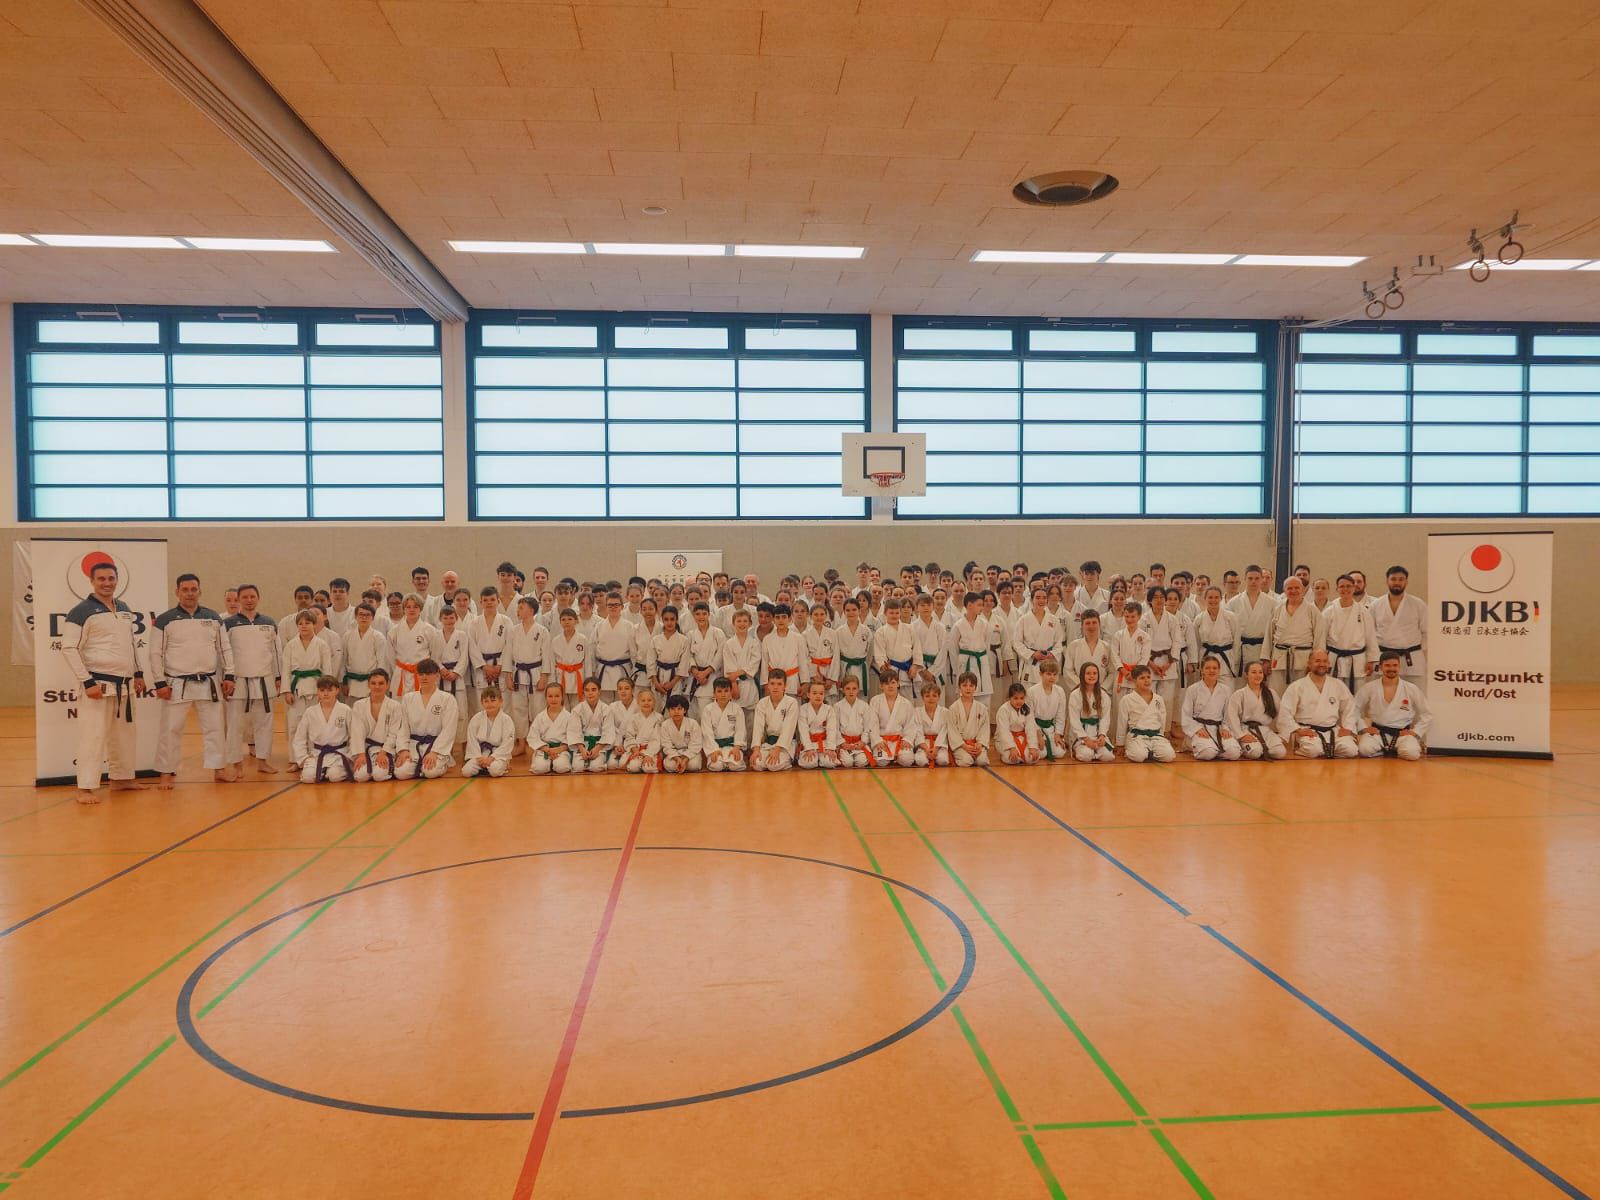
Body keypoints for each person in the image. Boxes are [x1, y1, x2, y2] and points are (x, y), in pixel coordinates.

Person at [61, 558, 151, 800]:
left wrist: (139, 673)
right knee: (93, 736)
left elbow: (131, 644)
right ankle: (86, 787)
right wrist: (87, 682)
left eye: (111, 578)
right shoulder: (80, 611)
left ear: (117, 580)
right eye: (101, 579)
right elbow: (68, 648)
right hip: (97, 684)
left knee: (124, 735)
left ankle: (121, 779)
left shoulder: (123, 607)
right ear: (91, 581)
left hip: (126, 683)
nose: (107, 583)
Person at [150, 573, 237, 788]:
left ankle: (219, 769)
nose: (190, 593)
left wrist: (229, 675)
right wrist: (160, 682)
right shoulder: (165, 619)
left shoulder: (213, 618)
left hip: (209, 682)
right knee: (171, 729)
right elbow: (155, 653)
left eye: (194, 589)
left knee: (215, 728)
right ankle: (166, 772)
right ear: (177, 592)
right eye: (185, 589)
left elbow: (224, 648)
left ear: (200, 591)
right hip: (176, 683)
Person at [223, 584, 280, 775]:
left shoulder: (269, 623)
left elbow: (276, 653)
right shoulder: (229, 624)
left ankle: (262, 761)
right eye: (245, 597)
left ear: (258, 598)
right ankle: (236, 764)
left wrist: (278, 678)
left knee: (265, 723)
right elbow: (223, 653)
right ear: (239, 600)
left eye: (252, 596)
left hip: (264, 681)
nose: (249, 600)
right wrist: (224, 679)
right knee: (235, 724)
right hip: (238, 681)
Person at [1276, 649, 1358, 759]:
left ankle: (1326, 748)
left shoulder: (1338, 684)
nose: (1322, 664)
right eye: (1317, 661)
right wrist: (1298, 730)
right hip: (1308, 731)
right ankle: (1301, 746)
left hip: (1332, 731)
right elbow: (1285, 712)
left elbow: (1349, 707)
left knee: (1351, 750)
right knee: (1313, 751)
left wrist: (1348, 727)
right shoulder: (1297, 686)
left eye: (1325, 661)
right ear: (1309, 664)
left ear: (1329, 664)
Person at [1355, 651, 1433, 760]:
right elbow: (1354, 709)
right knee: (1364, 750)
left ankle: (1390, 749)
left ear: (1399, 667)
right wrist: (1364, 728)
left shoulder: (1411, 688)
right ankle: (1389, 749)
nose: (1391, 668)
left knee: (1412, 754)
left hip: (1402, 734)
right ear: (1381, 667)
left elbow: (1427, 713)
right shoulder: (1369, 687)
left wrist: (1415, 732)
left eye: (1395, 665)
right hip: (1377, 733)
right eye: (1387, 665)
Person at [394, 659, 458, 779]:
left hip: (436, 747)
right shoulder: (408, 698)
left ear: (437, 676)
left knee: (430, 772)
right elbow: (403, 727)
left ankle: (443, 763)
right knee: (400, 773)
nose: (424, 677)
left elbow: (449, 730)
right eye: (421, 674)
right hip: (414, 746)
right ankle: (419, 764)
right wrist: (403, 749)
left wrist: (434, 752)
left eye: (428, 674)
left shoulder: (447, 699)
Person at [1265, 576, 1327, 695]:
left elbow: (1319, 638)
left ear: (1303, 590)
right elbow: (1269, 635)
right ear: (1284, 590)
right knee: (1276, 692)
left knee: (1302, 693)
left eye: (1297, 588)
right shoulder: (1278, 609)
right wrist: (1266, 659)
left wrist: (1317, 661)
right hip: (1280, 657)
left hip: (1303, 659)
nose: (1293, 591)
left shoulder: (1312, 610)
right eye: (1289, 588)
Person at [1370, 565, 1428, 690]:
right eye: (1393, 579)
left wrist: (1416, 649)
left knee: (1416, 698)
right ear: (1387, 581)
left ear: (1406, 581)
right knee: (1382, 696)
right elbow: (1370, 634)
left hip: (1411, 659)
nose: (1397, 582)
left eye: (1401, 579)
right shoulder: (1376, 605)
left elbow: (1426, 632)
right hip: (1384, 658)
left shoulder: (1418, 604)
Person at [1324, 573, 1378, 693]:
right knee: (1333, 694)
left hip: (1357, 660)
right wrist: (1322, 659)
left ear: (1354, 588)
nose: (1345, 589)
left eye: (1349, 586)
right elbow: (1321, 638)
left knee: (1357, 695)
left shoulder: (1363, 611)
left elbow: (1371, 637)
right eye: (1342, 586)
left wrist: (1371, 660)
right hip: (1334, 659)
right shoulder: (1329, 611)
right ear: (1337, 589)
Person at [291, 676, 352, 783]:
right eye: (322, 690)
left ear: (337, 690)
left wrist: (350, 756)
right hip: (317, 754)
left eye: (329, 690)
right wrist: (303, 758)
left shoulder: (345, 710)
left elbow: (355, 736)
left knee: (335, 776)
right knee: (308, 777)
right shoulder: (310, 712)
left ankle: (330, 771)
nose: (326, 693)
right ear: (317, 692)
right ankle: (322, 771)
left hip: (339, 753)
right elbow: (299, 738)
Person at [1182, 656, 1240, 761]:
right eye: (1208, 668)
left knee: (1234, 753)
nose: (1211, 670)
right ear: (1202, 670)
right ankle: (1193, 743)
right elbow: (1186, 715)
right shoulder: (1193, 689)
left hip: (1218, 728)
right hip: (1200, 728)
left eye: (1215, 668)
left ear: (1219, 670)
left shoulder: (1226, 690)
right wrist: (1197, 729)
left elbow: (1228, 714)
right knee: (1208, 753)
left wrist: (1226, 728)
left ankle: (1214, 749)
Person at [1225, 660, 1286, 760]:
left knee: (1280, 752)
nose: (1257, 675)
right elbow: (1232, 717)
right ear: (1246, 675)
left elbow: (1281, 714)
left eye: (1260, 672)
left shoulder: (1271, 693)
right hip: (1246, 730)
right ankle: (1244, 745)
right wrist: (1241, 736)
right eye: (1253, 672)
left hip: (1265, 730)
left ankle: (1263, 747)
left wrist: (1282, 734)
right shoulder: (1239, 694)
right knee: (1255, 753)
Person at [350, 667, 403, 782]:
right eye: (373, 683)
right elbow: (356, 732)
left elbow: (394, 733)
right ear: (368, 685)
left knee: (379, 776)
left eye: (381, 683)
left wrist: (384, 752)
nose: (377, 686)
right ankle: (370, 763)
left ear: (387, 685)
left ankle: (389, 764)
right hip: (366, 749)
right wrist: (360, 754)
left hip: (386, 749)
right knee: (360, 776)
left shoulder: (395, 706)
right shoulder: (359, 705)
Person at [388, 593, 444, 699]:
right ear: (403, 608)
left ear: (421, 609)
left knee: (422, 706)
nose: (412, 610)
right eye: (408, 607)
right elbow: (390, 657)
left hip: (423, 675)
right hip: (401, 674)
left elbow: (435, 655)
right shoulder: (394, 631)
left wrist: (428, 672)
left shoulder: (430, 630)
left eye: (415, 607)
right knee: (400, 708)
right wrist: (399, 669)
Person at [1227, 565, 1276, 681]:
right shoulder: (1233, 603)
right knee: (1239, 686)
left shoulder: (1272, 603)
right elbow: (1228, 630)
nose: (1253, 582)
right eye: (1250, 578)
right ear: (1244, 580)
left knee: (1261, 686)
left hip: (1262, 651)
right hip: (1240, 650)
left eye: (1257, 578)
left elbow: (1274, 632)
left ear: (1261, 580)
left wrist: (1269, 658)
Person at [1117, 665, 1175, 763]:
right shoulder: (1127, 699)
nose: (1146, 680)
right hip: (1137, 736)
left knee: (1169, 756)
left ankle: (1151, 751)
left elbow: (1162, 720)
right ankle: (1144, 751)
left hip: (1155, 736)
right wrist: (1120, 744)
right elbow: (1122, 722)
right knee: (1139, 756)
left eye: (1148, 677)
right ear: (1134, 681)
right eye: (1142, 678)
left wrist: (1161, 734)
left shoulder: (1158, 699)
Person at [945, 592, 993, 703]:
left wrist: (985, 660)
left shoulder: (984, 624)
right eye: (979, 605)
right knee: (965, 697)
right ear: (970, 605)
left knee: (984, 697)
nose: (982, 607)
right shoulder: (958, 625)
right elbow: (953, 649)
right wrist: (957, 667)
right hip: (965, 662)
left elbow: (987, 645)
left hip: (981, 660)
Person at [1012, 587, 1064, 689]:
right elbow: (1016, 642)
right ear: (1032, 600)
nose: (1041, 600)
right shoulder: (1023, 619)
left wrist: (1051, 654)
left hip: (1048, 663)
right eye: (1038, 597)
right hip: (1030, 664)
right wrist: (1032, 654)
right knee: (1029, 698)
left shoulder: (1054, 620)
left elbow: (1059, 642)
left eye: (1044, 598)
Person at [1190, 586, 1240, 687]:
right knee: (1206, 690)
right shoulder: (1199, 619)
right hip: (1206, 657)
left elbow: (1237, 641)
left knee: (1227, 691)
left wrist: (1234, 661)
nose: (1213, 600)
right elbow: (1196, 642)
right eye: (1210, 597)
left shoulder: (1230, 617)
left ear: (1221, 599)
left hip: (1226, 659)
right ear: (1205, 598)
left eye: (1216, 597)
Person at [750, 671, 799, 772]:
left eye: (779, 684)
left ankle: (788, 760)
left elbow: (788, 729)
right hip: (768, 743)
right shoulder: (762, 703)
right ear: (768, 685)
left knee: (773, 766)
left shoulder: (791, 703)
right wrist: (756, 750)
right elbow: (758, 727)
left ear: (785, 686)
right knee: (757, 765)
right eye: (772, 683)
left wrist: (777, 749)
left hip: (785, 745)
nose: (775, 687)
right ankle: (768, 756)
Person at [462, 685, 515, 778]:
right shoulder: (476, 718)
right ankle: (483, 766)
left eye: (493, 700)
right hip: (480, 754)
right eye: (486, 701)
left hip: (497, 755)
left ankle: (502, 765)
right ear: (481, 703)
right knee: (466, 771)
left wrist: (491, 758)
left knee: (495, 771)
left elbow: (507, 743)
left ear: (501, 701)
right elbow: (472, 740)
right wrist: (479, 757)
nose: (489, 704)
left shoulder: (506, 720)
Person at [867, 669, 916, 767]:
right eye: (886, 683)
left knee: (907, 761)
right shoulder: (875, 701)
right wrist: (877, 740)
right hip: (882, 741)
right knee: (881, 762)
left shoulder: (906, 703)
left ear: (898, 684)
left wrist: (907, 739)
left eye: (893, 682)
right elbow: (872, 724)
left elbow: (910, 725)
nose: (890, 686)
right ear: (881, 686)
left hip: (900, 740)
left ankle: (899, 755)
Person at [1024, 656, 1069, 763]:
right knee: (1042, 753)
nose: (1052, 677)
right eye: (1048, 674)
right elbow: (1029, 716)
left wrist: (1058, 733)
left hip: (1050, 728)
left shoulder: (1060, 691)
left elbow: (1060, 715)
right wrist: (1038, 735)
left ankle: (1052, 740)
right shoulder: (1032, 691)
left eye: (1054, 674)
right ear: (1041, 674)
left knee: (1060, 753)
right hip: (1036, 728)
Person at [1069, 662, 1115, 763]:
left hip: (1097, 732)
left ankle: (1095, 751)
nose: (1092, 676)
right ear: (1082, 675)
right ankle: (1090, 751)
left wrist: (1102, 735)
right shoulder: (1075, 695)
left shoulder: (1103, 695)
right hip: (1082, 734)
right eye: (1088, 673)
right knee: (1086, 756)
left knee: (1108, 756)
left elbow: (1105, 718)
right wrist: (1086, 739)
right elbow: (1074, 720)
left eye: (1095, 673)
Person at [569, 679, 616, 774]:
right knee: (577, 767)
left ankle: (603, 760)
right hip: (582, 744)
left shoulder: (606, 709)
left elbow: (608, 731)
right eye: (587, 690)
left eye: (593, 690)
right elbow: (574, 731)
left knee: (596, 767)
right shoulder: (577, 710)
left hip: (600, 744)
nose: (590, 693)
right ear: (583, 692)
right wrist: (582, 749)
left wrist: (597, 748)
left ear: (599, 691)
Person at [701, 677, 747, 772]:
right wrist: (713, 750)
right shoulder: (708, 710)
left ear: (731, 693)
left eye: (726, 691)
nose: (723, 694)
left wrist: (737, 748)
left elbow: (740, 730)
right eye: (719, 691)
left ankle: (728, 762)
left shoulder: (737, 709)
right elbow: (707, 732)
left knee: (735, 766)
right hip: (715, 747)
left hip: (732, 746)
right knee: (716, 766)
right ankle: (723, 762)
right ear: (714, 694)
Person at [527, 683, 575, 776]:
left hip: (562, 750)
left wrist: (560, 749)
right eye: (550, 696)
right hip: (544, 749)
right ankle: (547, 763)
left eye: (557, 696)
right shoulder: (540, 717)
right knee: (540, 768)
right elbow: (532, 737)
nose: (553, 699)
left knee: (561, 767)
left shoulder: (569, 716)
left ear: (562, 697)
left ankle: (555, 763)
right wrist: (546, 749)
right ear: (545, 698)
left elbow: (573, 736)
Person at [760, 603, 805, 697]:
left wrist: (805, 683)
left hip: (792, 681)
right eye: (777, 617)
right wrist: (765, 684)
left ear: (789, 619)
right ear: (773, 620)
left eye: (784, 617)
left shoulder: (798, 638)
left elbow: (802, 662)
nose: (781, 620)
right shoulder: (767, 639)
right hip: (774, 682)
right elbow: (764, 663)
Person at [947, 672, 991, 766]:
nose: (968, 688)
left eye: (971, 685)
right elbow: (952, 731)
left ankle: (977, 753)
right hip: (961, 745)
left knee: (982, 761)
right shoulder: (953, 708)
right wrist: (964, 746)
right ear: (959, 687)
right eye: (964, 685)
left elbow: (984, 729)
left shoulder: (981, 708)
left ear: (975, 688)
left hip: (976, 744)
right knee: (966, 761)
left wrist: (980, 744)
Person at [871, 598, 917, 690]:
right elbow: (879, 653)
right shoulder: (881, 632)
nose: (894, 615)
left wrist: (915, 666)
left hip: (908, 671)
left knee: (907, 701)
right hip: (890, 670)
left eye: (897, 613)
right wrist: (883, 666)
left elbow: (917, 649)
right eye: (891, 613)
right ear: (885, 613)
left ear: (900, 613)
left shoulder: (910, 629)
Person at [1067, 610, 1115, 694]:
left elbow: (1112, 672)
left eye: (1094, 622)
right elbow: (1068, 670)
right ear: (1082, 626)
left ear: (1099, 625)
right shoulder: (1073, 646)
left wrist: (1103, 688)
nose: (1091, 626)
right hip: (1080, 690)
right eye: (1087, 623)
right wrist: (1080, 685)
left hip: (1101, 691)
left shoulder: (1107, 647)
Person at [833, 674, 875, 768]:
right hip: (845, 744)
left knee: (861, 762)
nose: (851, 691)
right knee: (847, 763)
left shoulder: (864, 706)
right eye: (848, 688)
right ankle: (844, 753)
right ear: (842, 690)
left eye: (854, 688)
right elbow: (835, 728)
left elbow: (867, 727)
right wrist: (842, 743)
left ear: (858, 689)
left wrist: (863, 742)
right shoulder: (837, 706)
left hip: (859, 743)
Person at [551, 607, 590, 705]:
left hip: (578, 677)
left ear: (576, 621)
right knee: (563, 707)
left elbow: (588, 662)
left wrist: (588, 681)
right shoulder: (555, 640)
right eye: (563, 619)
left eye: (570, 619)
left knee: (578, 707)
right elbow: (552, 663)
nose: (566, 622)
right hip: (561, 676)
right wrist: (553, 682)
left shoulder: (583, 639)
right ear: (560, 622)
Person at [619, 687, 662, 774]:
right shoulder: (634, 718)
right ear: (638, 703)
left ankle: (644, 764)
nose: (646, 703)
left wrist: (648, 754)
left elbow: (658, 739)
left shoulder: (659, 718)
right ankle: (639, 763)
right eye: (643, 700)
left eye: (649, 700)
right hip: (637, 749)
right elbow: (629, 736)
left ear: (654, 702)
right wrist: (635, 750)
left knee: (648, 768)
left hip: (652, 750)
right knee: (633, 768)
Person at [795, 680, 836, 769]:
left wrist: (830, 748)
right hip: (809, 743)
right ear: (808, 695)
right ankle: (814, 757)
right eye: (814, 693)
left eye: (821, 693)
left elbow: (831, 729)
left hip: (824, 743)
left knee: (829, 763)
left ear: (824, 695)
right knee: (809, 763)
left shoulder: (829, 709)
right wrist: (808, 748)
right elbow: (803, 731)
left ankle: (821, 758)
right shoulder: (803, 709)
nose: (818, 696)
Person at [992, 681, 1035, 765]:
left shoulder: (1027, 709)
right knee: (1012, 759)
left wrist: (1033, 747)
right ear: (1009, 698)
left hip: (1022, 738)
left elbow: (1031, 729)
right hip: (1003, 740)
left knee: (1031, 758)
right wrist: (1011, 748)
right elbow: (1004, 731)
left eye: (1021, 698)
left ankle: (1021, 754)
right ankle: (1004, 753)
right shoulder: (1003, 710)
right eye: (1015, 698)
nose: (1019, 701)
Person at [659, 694, 704, 774]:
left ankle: (682, 765)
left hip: (690, 753)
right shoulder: (665, 725)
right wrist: (677, 758)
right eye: (673, 709)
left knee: (694, 764)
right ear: (668, 710)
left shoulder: (692, 723)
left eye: (679, 709)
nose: (676, 712)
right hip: (674, 754)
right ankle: (681, 765)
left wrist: (685, 758)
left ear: (685, 710)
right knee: (669, 765)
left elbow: (696, 744)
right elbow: (666, 745)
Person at [913, 680, 950, 767]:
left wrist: (936, 748)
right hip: (923, 743)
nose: (931, 698)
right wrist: (926, 749)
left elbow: (944, 732)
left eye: (934, 696)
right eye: (927, 696)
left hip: (940, 744)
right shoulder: (917, 712)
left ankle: (936, 753)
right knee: (921, 761)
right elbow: (917, 732)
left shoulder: (945, 712)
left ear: (939, 697)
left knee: (942, 761)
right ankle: (925, 754)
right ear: (922, 697)